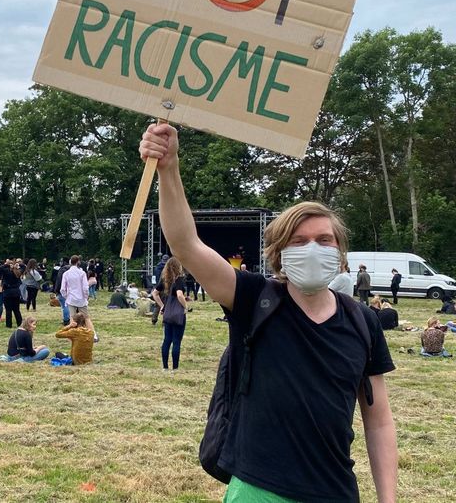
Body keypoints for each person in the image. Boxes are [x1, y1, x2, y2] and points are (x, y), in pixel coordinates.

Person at [139, 122, 396, 502]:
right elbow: (186, 244)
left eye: (324, 240)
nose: (312, 249)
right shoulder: (253, 298)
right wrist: (169, 166)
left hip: (336, 491)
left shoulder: (362, 321)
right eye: (299, 241)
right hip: (259, 489)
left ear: (340, 253)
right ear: (278, 253)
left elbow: (379, 422)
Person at [153, 257, 189, 370]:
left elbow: (155, 293)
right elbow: (179, 295)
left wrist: (162, 305)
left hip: (167, 312)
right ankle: (175, 368)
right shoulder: (179, 280)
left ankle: (165, 367)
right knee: (176, 341)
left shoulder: (165, 280)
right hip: (178, 313)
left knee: (167, 340)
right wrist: (186, 306)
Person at [61, 255, 93, 335]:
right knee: (86, 317)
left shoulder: (66, 274)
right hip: (81, 299)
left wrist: (66, 296)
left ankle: (73, 334)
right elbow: (85, 287)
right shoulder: (82, 273)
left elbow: (62, 289)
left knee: (72, 317)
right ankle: (92, 334)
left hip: (71, 298)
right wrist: (86, 296)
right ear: (78, 262)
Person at [0, 258, 24, 329]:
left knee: (8, 310)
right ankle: (20, 323)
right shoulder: (18, 272)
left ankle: (9, 325)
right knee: (16, 309)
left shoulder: (6, 271)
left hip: (7, 292)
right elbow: (24, 266)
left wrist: (6, 264)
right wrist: (16, 264)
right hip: (16, 292)